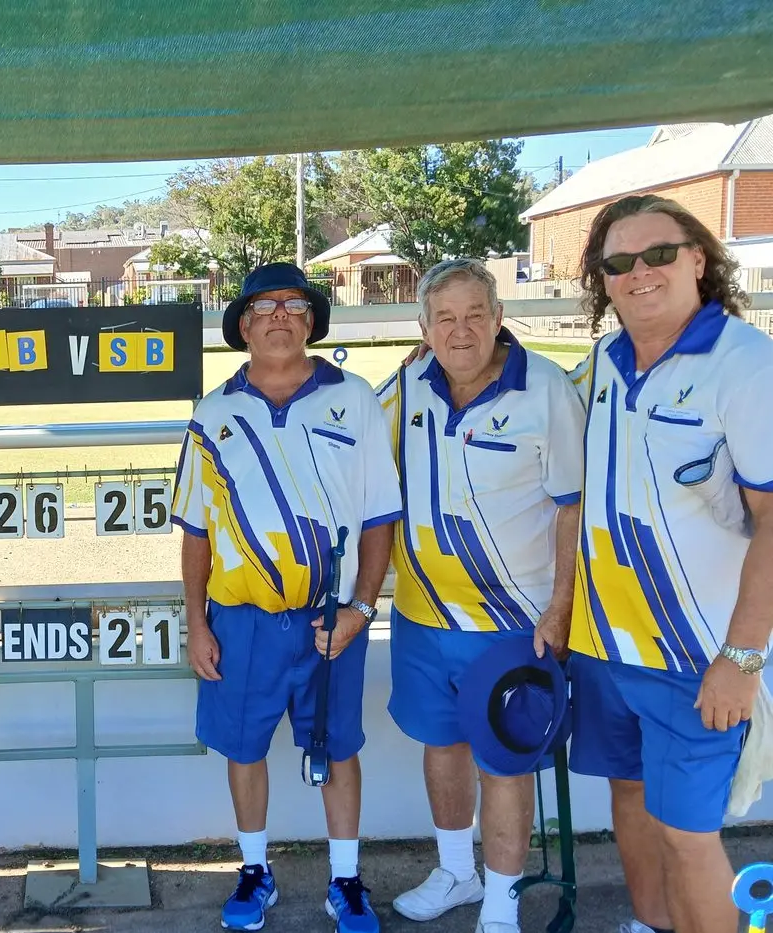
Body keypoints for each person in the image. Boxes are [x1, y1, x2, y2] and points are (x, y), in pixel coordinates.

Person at [172, 261, 401, 933]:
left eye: (294, 305)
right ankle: (253, 870)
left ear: (311, 321)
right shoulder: (212, 414)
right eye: (263, 306)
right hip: (239, 621)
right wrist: (196, 622)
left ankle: (346, 880)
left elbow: (381, 515)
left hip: (332, 618)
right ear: (243, 324)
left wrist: (361, 607)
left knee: (336, 747)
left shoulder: (353, 398)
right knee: (243, 748)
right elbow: (194, 530)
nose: (278, 315)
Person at [566, 194, 773, 933]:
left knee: (689, 836)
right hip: (605, 647)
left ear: (698, 259)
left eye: (658, 253)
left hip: (697, 657)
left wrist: (741, 658)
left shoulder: (745, 364)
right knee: (629, 801)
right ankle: (649, 925)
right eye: (619, 262)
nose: (639, 272)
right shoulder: (604, 361)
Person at [375, 259, 585, 933]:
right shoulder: (408, 386)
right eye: (445, 318)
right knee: (442, 746)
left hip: (514, 622)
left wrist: (561, 606)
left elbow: (572, 508)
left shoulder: (547, 388)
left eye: (474, 315)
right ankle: (457, 872)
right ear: (424, 329)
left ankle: (501, 901)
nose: (460, 330)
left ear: (498, 318)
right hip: (421, 615)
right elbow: (351, 454)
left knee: (503, 762)